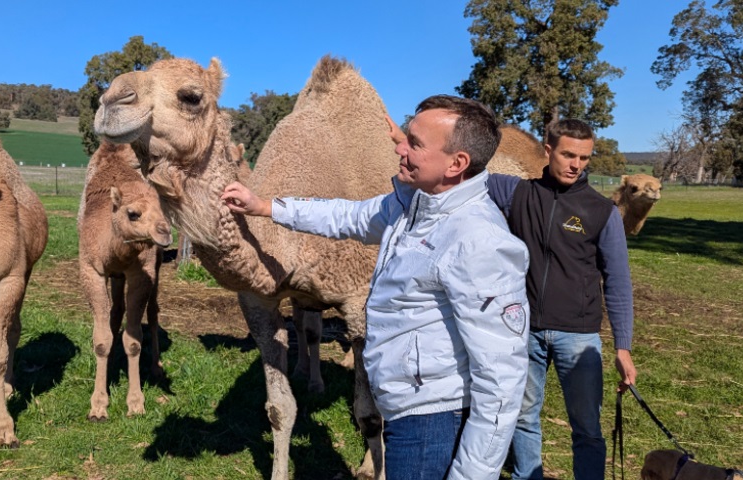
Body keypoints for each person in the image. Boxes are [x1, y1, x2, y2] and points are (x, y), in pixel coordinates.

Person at [221, 94, 531, 480]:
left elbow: (501, 377)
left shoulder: (479, 240)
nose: (399, 148)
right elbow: (346, 216)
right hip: (402, 407)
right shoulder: (414, 207)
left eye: (414, 143)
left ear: (457, 164)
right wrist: (267, 207)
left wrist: (472, 475)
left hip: (434, 420)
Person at [484, 119, 638, 480]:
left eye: (585, 158)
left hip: (578, 335)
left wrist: (623, 346)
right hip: (523, 332)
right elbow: (462, 175)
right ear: (548, 151)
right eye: (568, 154)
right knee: (522, 419)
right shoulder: (516, 193)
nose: (577, 165)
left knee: (586, 427)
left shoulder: (602, 212)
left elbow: (618, 280)